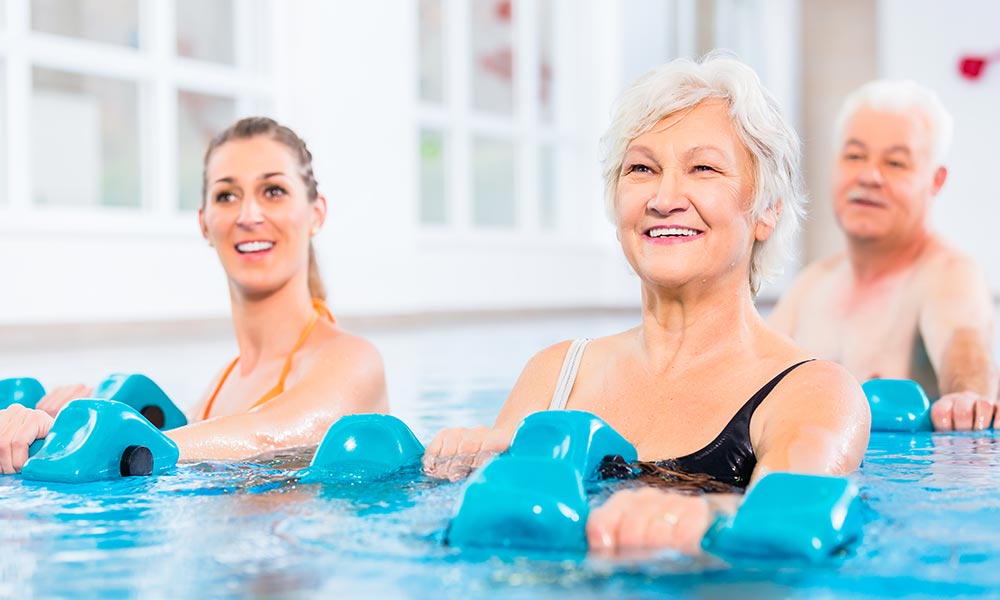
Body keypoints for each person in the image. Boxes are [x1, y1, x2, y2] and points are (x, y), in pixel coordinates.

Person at [422, 54, 870, 555]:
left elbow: (794, 511)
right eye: (641, 168)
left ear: (766, 211)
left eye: (703, 168)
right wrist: (462, 463)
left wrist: (703, 514)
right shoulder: (556, 373)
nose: (664, 197)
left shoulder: (812, 391)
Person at [0, 117, 387, 473]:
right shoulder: (221, 386)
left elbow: (267, 435)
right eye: (227, 196)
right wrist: (54, 427)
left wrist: (100, 440)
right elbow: (192, 443)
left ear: (316, 213)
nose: (248, 215)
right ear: (204, 223)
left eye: (273, 190)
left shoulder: (352, 360)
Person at [769, 80, 998, 431]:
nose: (869, 176)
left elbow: (961, 339)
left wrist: (967, 396)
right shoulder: (811, 285)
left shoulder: (947, 273)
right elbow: (749, 379)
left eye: (895, 162)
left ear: (935, 181)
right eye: (855, 156)